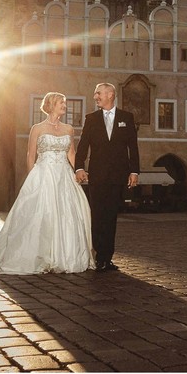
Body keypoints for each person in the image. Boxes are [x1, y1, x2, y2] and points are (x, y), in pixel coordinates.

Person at [0, 92, 94, 274]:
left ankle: (64, 257)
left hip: (64, 176)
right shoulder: (37, 128)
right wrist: (31, 176)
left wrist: (78, 171)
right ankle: (35, 256)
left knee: (68, 214)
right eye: (61, 103)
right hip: (43, 173)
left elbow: (71, 154)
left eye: (64, 103)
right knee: (40, 213)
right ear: (51, 105)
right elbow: (31, 154)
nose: (64, 106)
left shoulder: (68, 129)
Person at [74, 82, 140, 272]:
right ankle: (99, 256)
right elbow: (82, 146)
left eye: (98, 93)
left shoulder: (127, 118)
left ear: (110, 94)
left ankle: (107, 258)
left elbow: (132, 147)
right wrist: (79, 167)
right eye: (95, 94)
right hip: (97, 175)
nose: (95, 97)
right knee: (97, 216)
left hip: (118, 176)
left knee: (111, 217)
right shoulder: (91, 119)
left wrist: (134, 171)